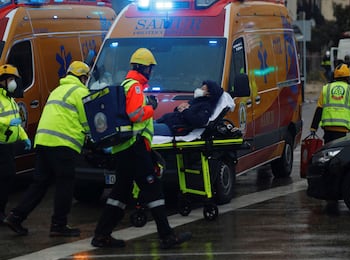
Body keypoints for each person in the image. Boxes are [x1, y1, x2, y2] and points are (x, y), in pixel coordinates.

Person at [91, 48, 192, 249]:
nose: (151, 72)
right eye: (150, 68)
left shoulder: (126, 84)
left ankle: (101, 235)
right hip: (135, 149)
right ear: (144, 68)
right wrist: (151, 107)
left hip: (125, 148)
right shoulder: (135, 87)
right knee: (153, 189)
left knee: (120, 193)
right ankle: (166, 235)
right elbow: (135, 114)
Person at [4, 61, 91, 236]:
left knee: (40, 183)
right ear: (83, 77)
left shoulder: (56, 91)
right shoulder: (81, 92)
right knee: (65, 183)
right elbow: (87, 120)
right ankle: (59, 225)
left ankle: (16, 216)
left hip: (43, 141)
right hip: (63, 144)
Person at [310, 63, 350, 214]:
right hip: (342, 133)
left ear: (334, 77)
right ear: (348, 77)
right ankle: (338, 189)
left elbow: (319, 109)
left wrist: (313, 128)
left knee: (327, 161)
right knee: (340, 163)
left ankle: (327, 190)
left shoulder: (326, 89)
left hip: (327, 130)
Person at [0, 64, 31, 223]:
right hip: (1, 146)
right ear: (3, 81)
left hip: (9, 146)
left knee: (8, 178)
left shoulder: (10, 100)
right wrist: (8, 122)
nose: (13, 83)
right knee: (4, 178)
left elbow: (17, 124)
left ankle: (2, 210)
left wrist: (24, 137)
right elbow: (9, 121)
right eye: (10, 79)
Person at [154, 80, 224, 136]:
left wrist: (185, 111)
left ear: (208, 94)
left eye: (202, 89)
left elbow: (199, 121)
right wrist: (179, 108)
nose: (199, 90)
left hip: (173, 128)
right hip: (166, 121)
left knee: (145, 129)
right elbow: (181, 112)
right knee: (145, 124)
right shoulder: (195, 101)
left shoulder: (206, 107)